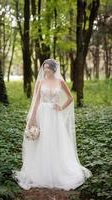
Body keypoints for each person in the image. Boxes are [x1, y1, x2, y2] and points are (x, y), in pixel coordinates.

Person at [12, 58, 92, 190]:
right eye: (44, 67)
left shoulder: (60, 82)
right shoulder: (41, 82)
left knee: (55, 141)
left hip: (55, 116)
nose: (45, 69)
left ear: (53, 69)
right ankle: (41, 170)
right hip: (42, 114)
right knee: (42, 140)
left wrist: (61, 107)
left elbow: (70, 98)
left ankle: (57, 170)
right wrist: (32, 118)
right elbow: (36, 101)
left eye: (48, 67)